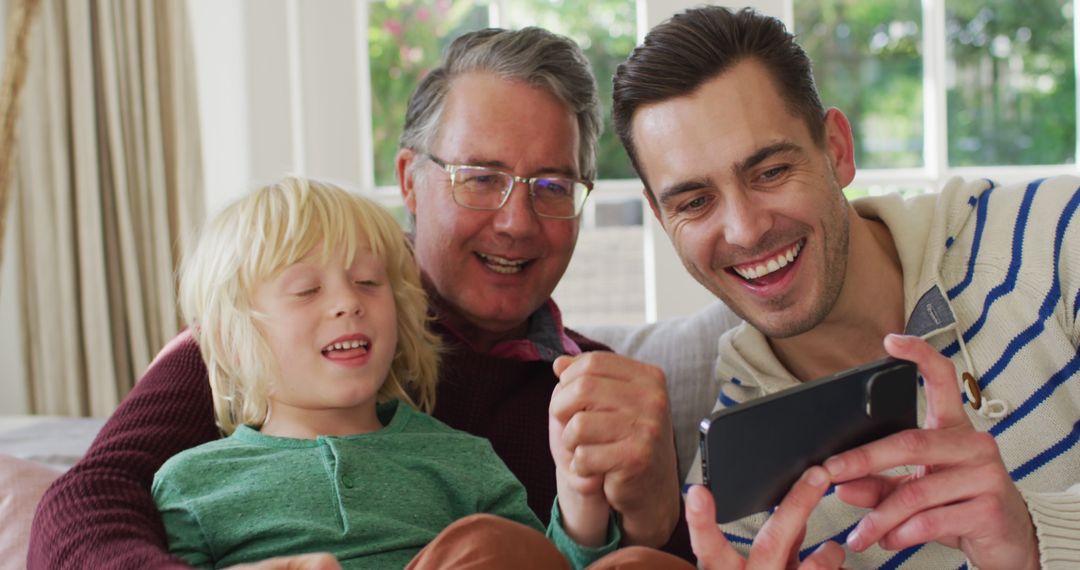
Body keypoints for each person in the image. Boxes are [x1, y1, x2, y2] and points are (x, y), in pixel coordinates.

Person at [28, 27, 693, 568]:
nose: (517, 221)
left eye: (551, 186)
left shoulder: (603, 390)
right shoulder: (275, 337)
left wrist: (655, 513)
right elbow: (86, 503)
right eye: (480, 178)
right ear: (409, 180)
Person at [612, 5, 1080, 569]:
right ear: (663, 222)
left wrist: (1035, 542)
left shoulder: (1058, 239)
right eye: (694, 202)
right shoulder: (736, 517)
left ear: (836, 149)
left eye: (770, 172)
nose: (745, 230)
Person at [154, 176, 635, 568]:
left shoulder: (461, 459)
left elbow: (538, 564)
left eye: (367, 282)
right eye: (306, 290)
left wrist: (580, 503)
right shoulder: (194, 482)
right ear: (231, 341)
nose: (347, 303)